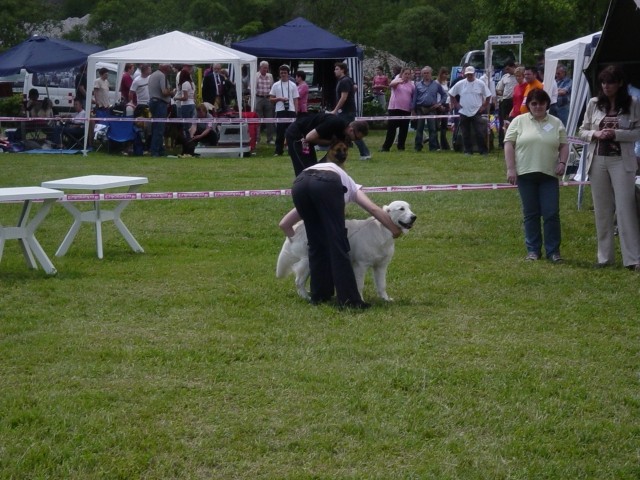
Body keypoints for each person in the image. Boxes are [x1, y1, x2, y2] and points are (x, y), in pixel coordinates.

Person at [278, 143, 402, 309]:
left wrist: (293, 241)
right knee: (338, 244)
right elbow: (372, 208)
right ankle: (351, 300)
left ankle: (320, 295)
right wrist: (394, 228)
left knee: (317, 245)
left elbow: (284, 223)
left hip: (300, 182)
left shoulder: (315, 175)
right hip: (325, 182)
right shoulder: (348, 184)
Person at [578, 65, 640, 271]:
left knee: (625, 209)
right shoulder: (594, 104)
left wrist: (617, 134)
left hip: (622, 161)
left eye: (610, 82)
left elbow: (637, 132)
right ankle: (604, 257)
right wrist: (595, 134)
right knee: (602, 211)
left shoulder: (632, 103)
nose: (606, 86)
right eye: (603, 82)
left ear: (620, 83)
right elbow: (582, 130)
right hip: (597, 160)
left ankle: (632, 258)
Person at [504, 88, 569, 262]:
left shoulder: (556, 122)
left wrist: (562, 163)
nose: (538, 106)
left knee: (551, 213)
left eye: (541, 103)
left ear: (547, 104)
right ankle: (533, 250)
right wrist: (511, 168)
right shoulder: (518, 121)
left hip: (549, 175)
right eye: (534, 103)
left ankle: (553, 251)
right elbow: (508, 144)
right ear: (529, 105)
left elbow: (564, 145)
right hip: (525, 174)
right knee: (531, 214)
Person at [285, 113, 370, 176]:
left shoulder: (343, 133)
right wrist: (330, 142)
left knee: (313, 168)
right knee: (304, 171)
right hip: (297, 135)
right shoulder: (334, 123)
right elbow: (309, 137)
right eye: (357, 138)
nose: (355, 140)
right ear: (351, 130)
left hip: (307, 140)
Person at [330, 62, 371, 160]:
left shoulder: (344, 81)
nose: (334, 71)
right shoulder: (346, 80)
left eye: (337, 69)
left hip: (346, 111)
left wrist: (335, 110)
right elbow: (354, 88)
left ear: (342, 70)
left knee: (351, 132)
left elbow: (343, 98)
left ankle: (365, 153)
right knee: (344, 132)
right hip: (346, 111)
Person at [448, 66, 492, 155]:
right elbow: (451, 94)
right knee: (465, 133)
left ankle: (483, 151)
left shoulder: (480, 83)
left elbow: (488, 95)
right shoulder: (460, 84)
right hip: (464, 112)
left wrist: (484, 106)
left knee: (479, 132)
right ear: (465, 74)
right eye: (468, 74)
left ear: (474, 74)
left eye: (471, 74)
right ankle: (468, 150)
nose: (469, 76)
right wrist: (456, 104)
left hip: (477, 112)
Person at [379, 67, 415, 152]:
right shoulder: (397, 81)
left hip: (406, 110)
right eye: (405, 73)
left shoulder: (412, 85)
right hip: (394, 108)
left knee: (404, 130)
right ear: (402, 74)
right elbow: (391, 85)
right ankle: (386, 147)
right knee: (391, 128)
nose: (407, 75)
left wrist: (413, 110)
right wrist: (399, 80)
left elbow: (413, 97)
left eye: (409, 74)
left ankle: (401, 147)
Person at [412, 66, 446, 152]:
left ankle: (433, 147)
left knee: (432, 129)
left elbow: (444, 95)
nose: (426, 75)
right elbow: (414, 98)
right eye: (424, 73)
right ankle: (418, 147)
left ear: (431, 74)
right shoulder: (418, 84)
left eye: (428, 73)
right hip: (420, 108)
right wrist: (413, 110)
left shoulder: (436, 84)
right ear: (422, 74)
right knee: (419, 128)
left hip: (432, 108)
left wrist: (439, 103)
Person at [270, 64, 299, 157]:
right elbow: (271, 99)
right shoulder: (275, 85)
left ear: (288, 74)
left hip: (291, 110)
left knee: (292, 132)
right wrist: (279, 99)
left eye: (285, 73)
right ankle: (278, 151)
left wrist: (296, 111)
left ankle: (292, 150)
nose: (283, 74)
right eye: (281, 73)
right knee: (280, 132)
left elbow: (295, 99)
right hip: (280, 110)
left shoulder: (293, 85)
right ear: (279, 74)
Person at [148, 64, 175, 157]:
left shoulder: (153, 75)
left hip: (153, 102)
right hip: (160, 103)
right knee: (159, 129)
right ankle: (155, 152)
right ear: (165, 67)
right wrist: (172, 92)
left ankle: (159, 150)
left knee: (155, 128)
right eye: (169, 67)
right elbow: (164, 92)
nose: (171, 69)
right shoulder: (161, 75)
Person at [496, 60, 517, 147]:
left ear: (513, 67)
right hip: (505, 100)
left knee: (513, 121)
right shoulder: (505, 77)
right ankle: (502, 142)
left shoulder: (518, 77)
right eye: (506, 69)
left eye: (508, 69)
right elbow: (498, 89)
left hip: (515, 101)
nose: (507, 71)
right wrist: (502, 93)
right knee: (503, 122)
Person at [255, 61, 274, 144]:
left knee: (269, 119)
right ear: (260, 68)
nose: (266, 69)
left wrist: (272, 98)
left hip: (268, 98)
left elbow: (272, 88)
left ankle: (269, 139)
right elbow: (251, 88)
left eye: (267, 67)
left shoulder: (270, 76)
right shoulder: (255, 75)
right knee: (258, 119)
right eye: (264, 67)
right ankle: (257, 139)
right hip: (258, 98)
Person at [177, 68, 196, 142]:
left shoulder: (185, 84)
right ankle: (192, 138)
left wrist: (177, 98)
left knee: (186, 125)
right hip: (192, 104)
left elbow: (185, 97)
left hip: (186, 105)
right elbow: (194, 96)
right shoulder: (192, 83)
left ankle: (188, 140)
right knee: (191, 124)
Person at [435, 67, 451, 150]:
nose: (446, 75)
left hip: (446, 104)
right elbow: (437, 95)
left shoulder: (446, 83)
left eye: (447, 74)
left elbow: (448, 94)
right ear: (441, 74)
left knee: (444, 126)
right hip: (438, 104)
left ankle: (444, 144)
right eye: (445, 74)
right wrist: (439, 104)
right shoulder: (436, 83)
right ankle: (436, 144)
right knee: (437, 125)